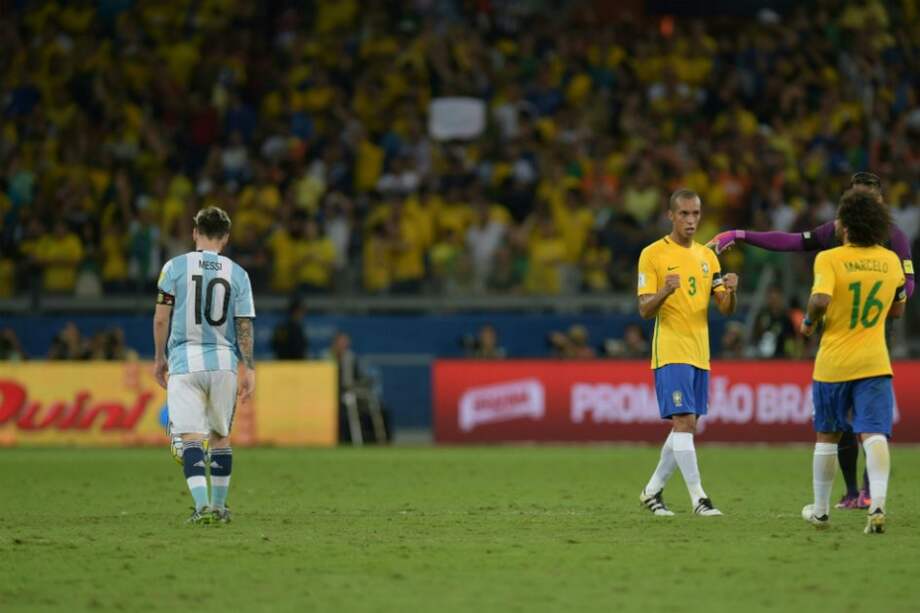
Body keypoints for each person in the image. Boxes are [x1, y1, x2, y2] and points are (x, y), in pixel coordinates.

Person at [707, 172, 913, 508]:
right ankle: (853, 491)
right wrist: (740, 234)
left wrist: (815, 319)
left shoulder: (895, 239)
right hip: (838, 334)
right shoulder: (835, 232)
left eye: (867, 199)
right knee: (852, 421)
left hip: (871, 331)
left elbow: (907, 285)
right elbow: (788, 241)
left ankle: (865, 491)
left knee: (859, 421)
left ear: (880, 203)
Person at [799, 188, 905, 534]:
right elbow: (899, 307)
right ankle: (876, 505)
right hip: (875, 362)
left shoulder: (829, 258)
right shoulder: (891, 261)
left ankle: (820, 510)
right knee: (873, 434)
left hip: (834, 363)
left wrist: (810, 322)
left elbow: (820, 298)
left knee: (827, 435)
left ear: (844, 223)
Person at [637, 189, 739, 517]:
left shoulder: (708, 257)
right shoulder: (652, 254)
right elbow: (644, 309)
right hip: (670, 348)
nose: (691, 220)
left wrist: (732, 292)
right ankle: (699, 498)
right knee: (683, 421)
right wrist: (665, 290)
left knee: (688, 425)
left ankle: (651, 492)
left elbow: (724, 307)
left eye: (695, 214)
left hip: (699, 351)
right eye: (684, 214)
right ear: (671, 216)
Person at [152, 206, 256, 525]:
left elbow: (160, 318)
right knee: (221, 436)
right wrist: (248, 367)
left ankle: (202, 508)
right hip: (224, 362)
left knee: (192, 439)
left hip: (185, 362)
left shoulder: (173, 267)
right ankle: (220, 507)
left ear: (195, 232)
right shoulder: (238, 274)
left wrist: (159, 358)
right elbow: (244, 324)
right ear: (225, 238)